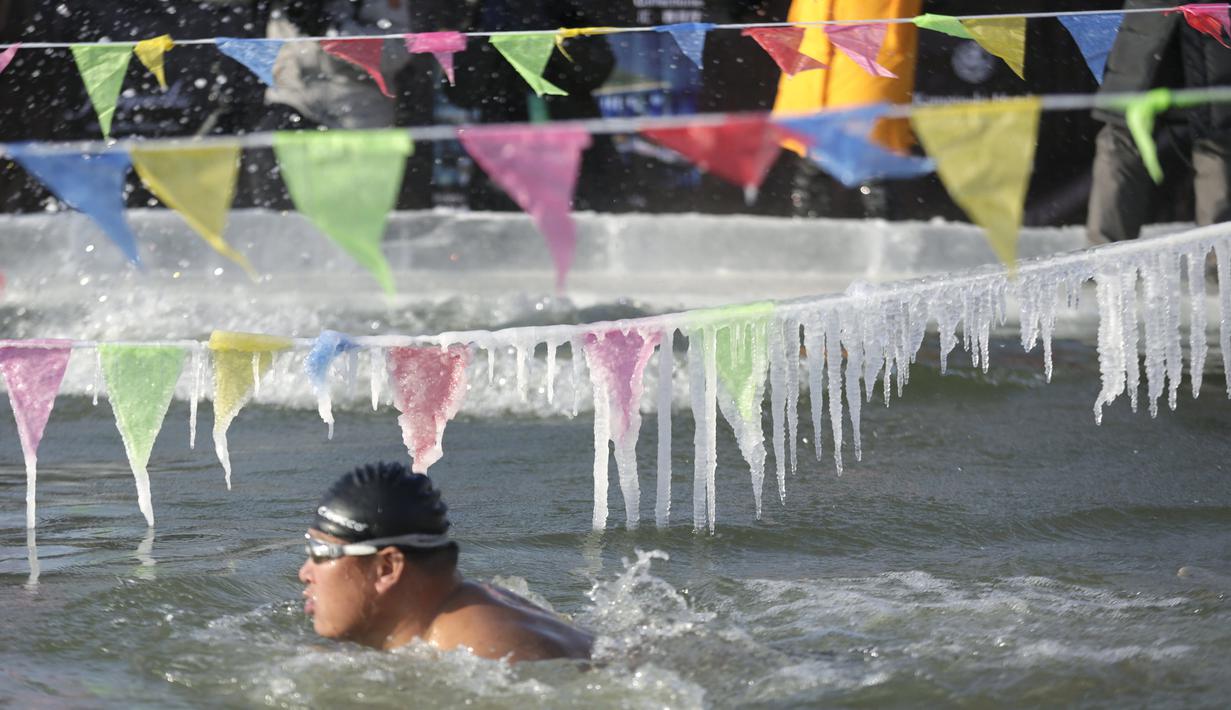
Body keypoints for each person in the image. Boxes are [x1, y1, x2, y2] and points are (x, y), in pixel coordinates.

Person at [299, 461, 594, 661]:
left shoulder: (485, 653)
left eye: (321, 552)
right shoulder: (465, 609)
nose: (305, 573)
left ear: (386, 568)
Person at [1087, 0, 1231, 243]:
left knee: (1217, 143)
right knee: (1121, 137)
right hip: (1149, 24)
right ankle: (1106, 262)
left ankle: (1221, 261)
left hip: (1213, 28)